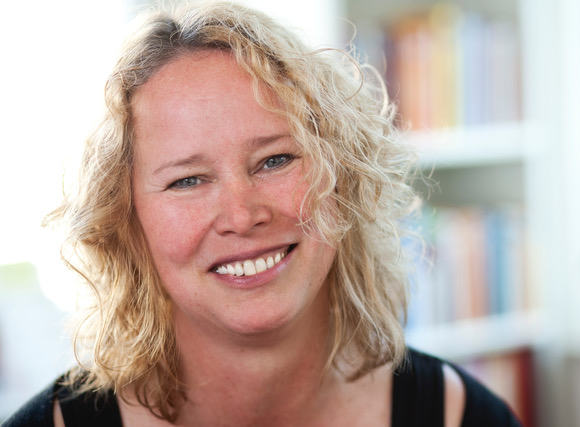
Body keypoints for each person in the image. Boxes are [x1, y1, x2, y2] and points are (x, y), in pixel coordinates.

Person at [4, 2, 522, 426]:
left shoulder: (461, 415)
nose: (242, 214)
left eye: (275, 160)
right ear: (124, 221)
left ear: (342, 178)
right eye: (187, 180)